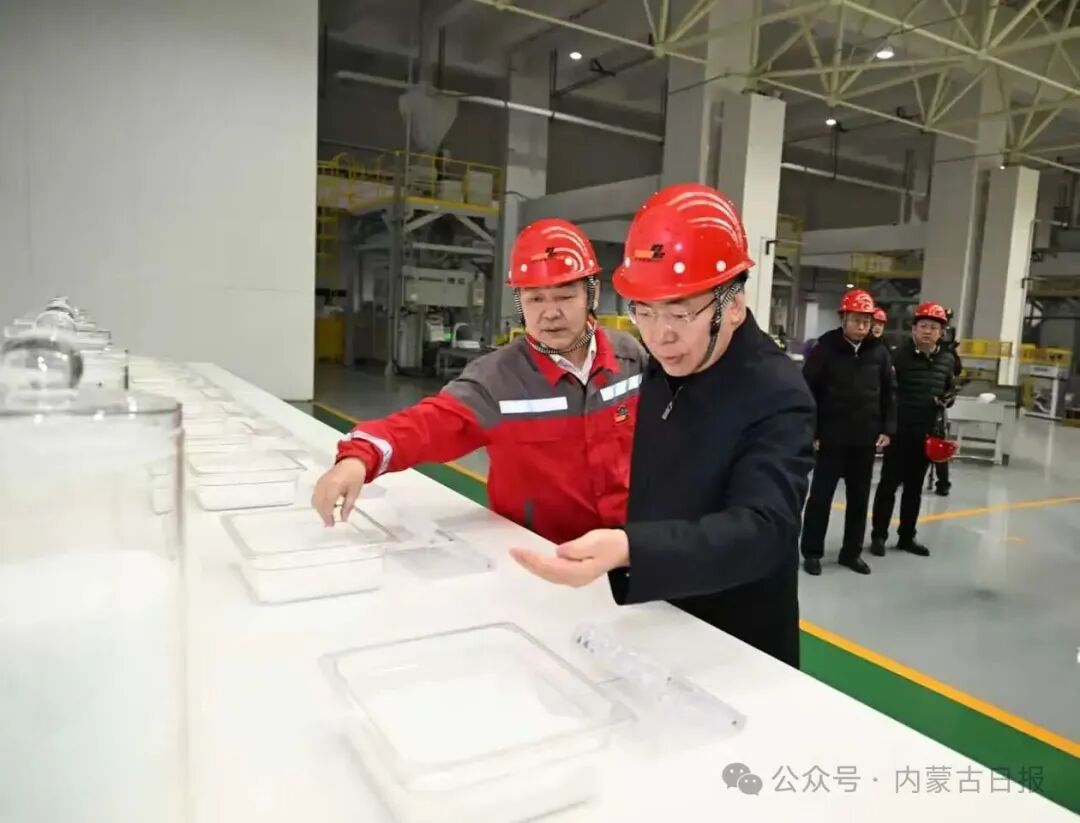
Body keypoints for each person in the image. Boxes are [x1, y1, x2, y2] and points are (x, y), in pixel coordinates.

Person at [510, 183, 816, 667]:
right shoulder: (668, 367)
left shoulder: (776, 392)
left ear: (733, 305)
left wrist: (632, 548)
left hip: (734, 644)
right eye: (644, 312)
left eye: (680, 312)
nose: (660, 335)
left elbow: (764, 529)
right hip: (657, 618)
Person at [311, 218, 648, 545]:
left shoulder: (629, 356)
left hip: (626, 549)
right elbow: (424, 425)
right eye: (535, 298)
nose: (550, 313)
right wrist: (359, 457)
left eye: (564, 296)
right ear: (520, 302)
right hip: (543, 556)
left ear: (592, 294)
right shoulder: (497, 381)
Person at [800, 289, 897, 576]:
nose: (862, 326)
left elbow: (890, 393)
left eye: (866, 321)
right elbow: (807, 392)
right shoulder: (824, 349)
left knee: (859, 499)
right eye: (856, 320)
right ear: (843, 319)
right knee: (820, 498)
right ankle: (812, 552)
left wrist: (887, 428)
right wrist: (812, 431)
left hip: (864, 438)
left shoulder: (879, 352)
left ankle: (851, 553)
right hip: (830, 438)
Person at [870, 301, 958, 557]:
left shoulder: (947, 359)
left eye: (934, 327)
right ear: (914, 328)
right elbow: (885, 392)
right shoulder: (897, 356)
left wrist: (947, 399)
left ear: (941, 332)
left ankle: (907, 536)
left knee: (914, 489)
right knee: (888, 486)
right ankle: (878, 536)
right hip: (898, 432)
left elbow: (949, 389)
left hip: (926, 434)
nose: (928, 331)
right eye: (923, 326)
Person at [929, 308, 963, 496]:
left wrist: (952, 351)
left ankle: (943, 482)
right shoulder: (926, 338)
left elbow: (956, 371)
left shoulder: (948, 341)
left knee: (938, 444)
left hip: (939, 402)